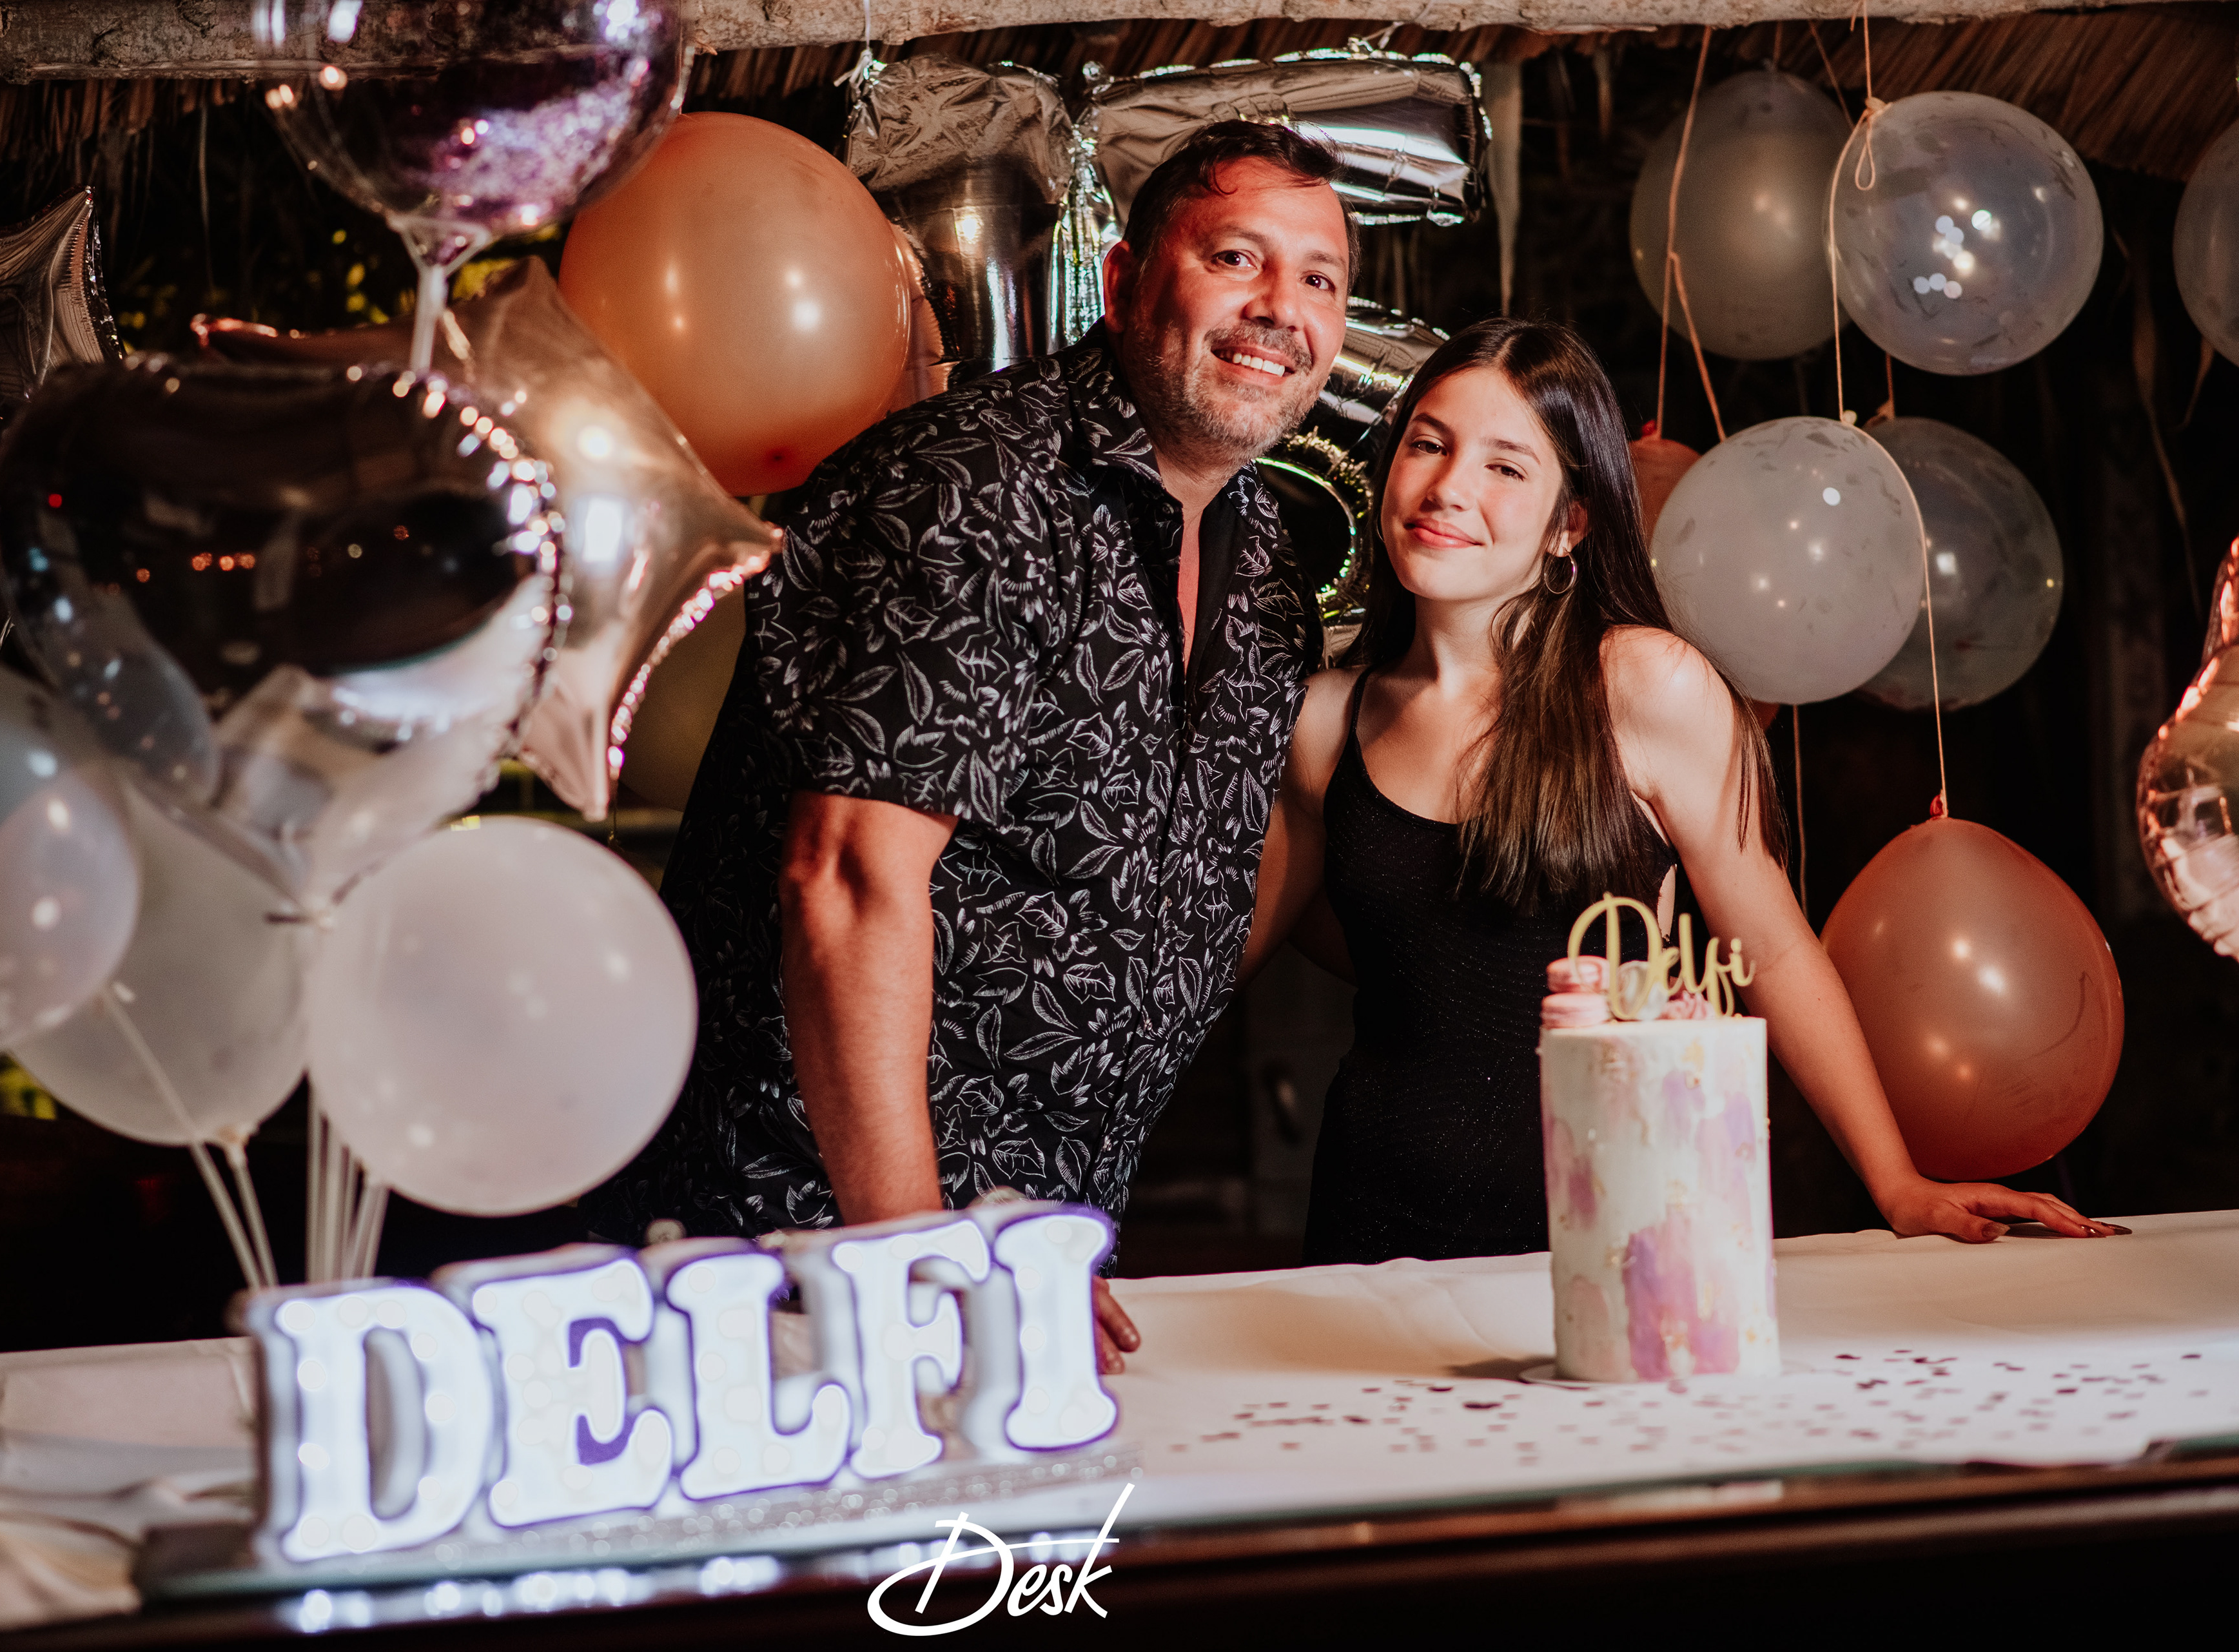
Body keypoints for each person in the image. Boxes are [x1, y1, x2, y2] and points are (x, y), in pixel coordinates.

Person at [585, 122, 1356, 1367]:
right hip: (795, 1257)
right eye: (1235, 258)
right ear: (1123, 283)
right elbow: (847, 878)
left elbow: (1194, 878)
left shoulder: (1267, 562)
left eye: (1319, 278)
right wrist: (919, 1254)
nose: (1282, 308)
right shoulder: (975, 485)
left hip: (1023, 1257)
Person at [1241, 316, 2118, 1264]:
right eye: (1428, 444)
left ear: (1570, 524)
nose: (1449, 487)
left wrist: (1897, 1184)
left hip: (1622, 1227)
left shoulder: (1643, 686)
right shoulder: (1323, 724)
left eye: (1505, 466)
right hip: (1371, 1233)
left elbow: (1774, 950)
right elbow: (1231, 956)